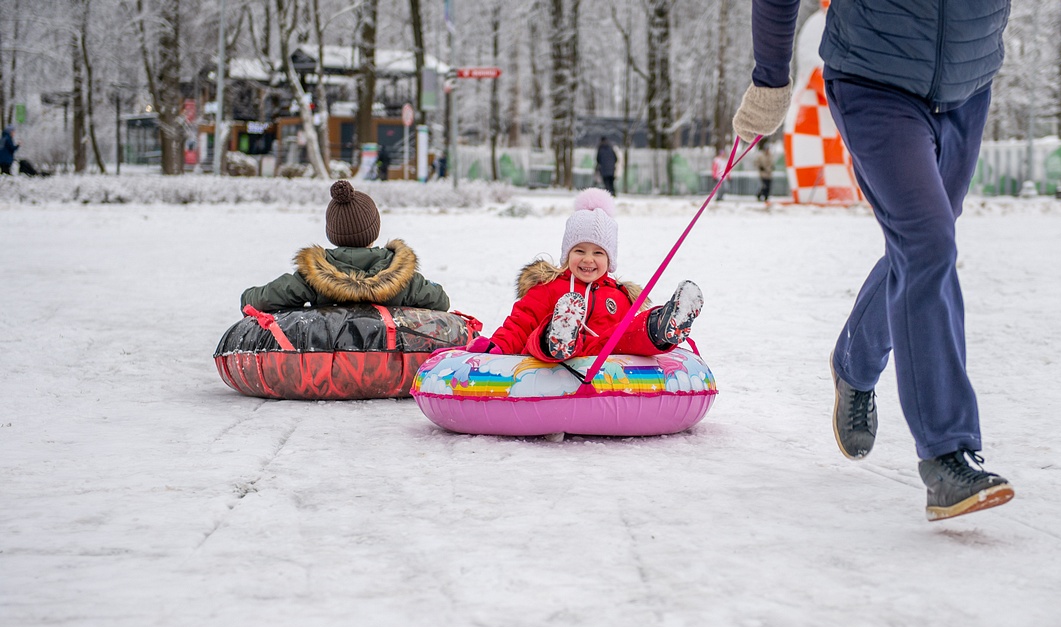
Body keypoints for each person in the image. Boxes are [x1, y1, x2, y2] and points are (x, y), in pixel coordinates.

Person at [733, 0, 1015, 521]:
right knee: (929, 243)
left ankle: (854, 364)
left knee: (922, 245)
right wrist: (771, 78)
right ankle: (947, 454)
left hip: (967, 87)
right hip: (873, 78)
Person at [465, 188, 703, 363]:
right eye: (579, 251)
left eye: (598, 253)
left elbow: (626, 335)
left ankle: (662, 325)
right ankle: (560, 332)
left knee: (628, 331)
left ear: (609, 260)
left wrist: (640, 329)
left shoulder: (619, 296)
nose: (588, 259)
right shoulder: (550, 287)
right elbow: (520, 323)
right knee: (541, 333)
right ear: (567, 255)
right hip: (554, 354)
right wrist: (497, 347)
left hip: (604, 353)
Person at [240, 180, 450, 312]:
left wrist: (248, 295)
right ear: (374, 230)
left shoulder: (312, 277)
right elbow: (441, 301)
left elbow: (263, 299)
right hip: (388, 357)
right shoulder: (403, 277)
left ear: (332, 233)